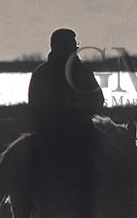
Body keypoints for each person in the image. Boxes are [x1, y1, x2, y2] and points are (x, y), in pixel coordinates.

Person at [28, 29, 106, 172]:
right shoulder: (80, 71)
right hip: (67, 131)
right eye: (72, 46)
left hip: (50, 130)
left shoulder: (42, 72)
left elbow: (97, 100)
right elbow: (98, 100)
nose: (74, 50)